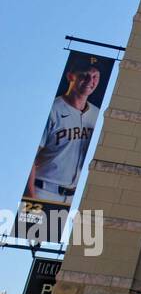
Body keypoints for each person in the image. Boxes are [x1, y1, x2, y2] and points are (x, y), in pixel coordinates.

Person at [25, 53, 103, 204]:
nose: (90, 81)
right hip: (42, 191)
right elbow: (30, 158)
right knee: (31, 229)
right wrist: (30, 197)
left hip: (72, 196)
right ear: (70, 76)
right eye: (84, 75)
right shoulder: (53, 110)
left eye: (95, 77)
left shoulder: (96, 114)